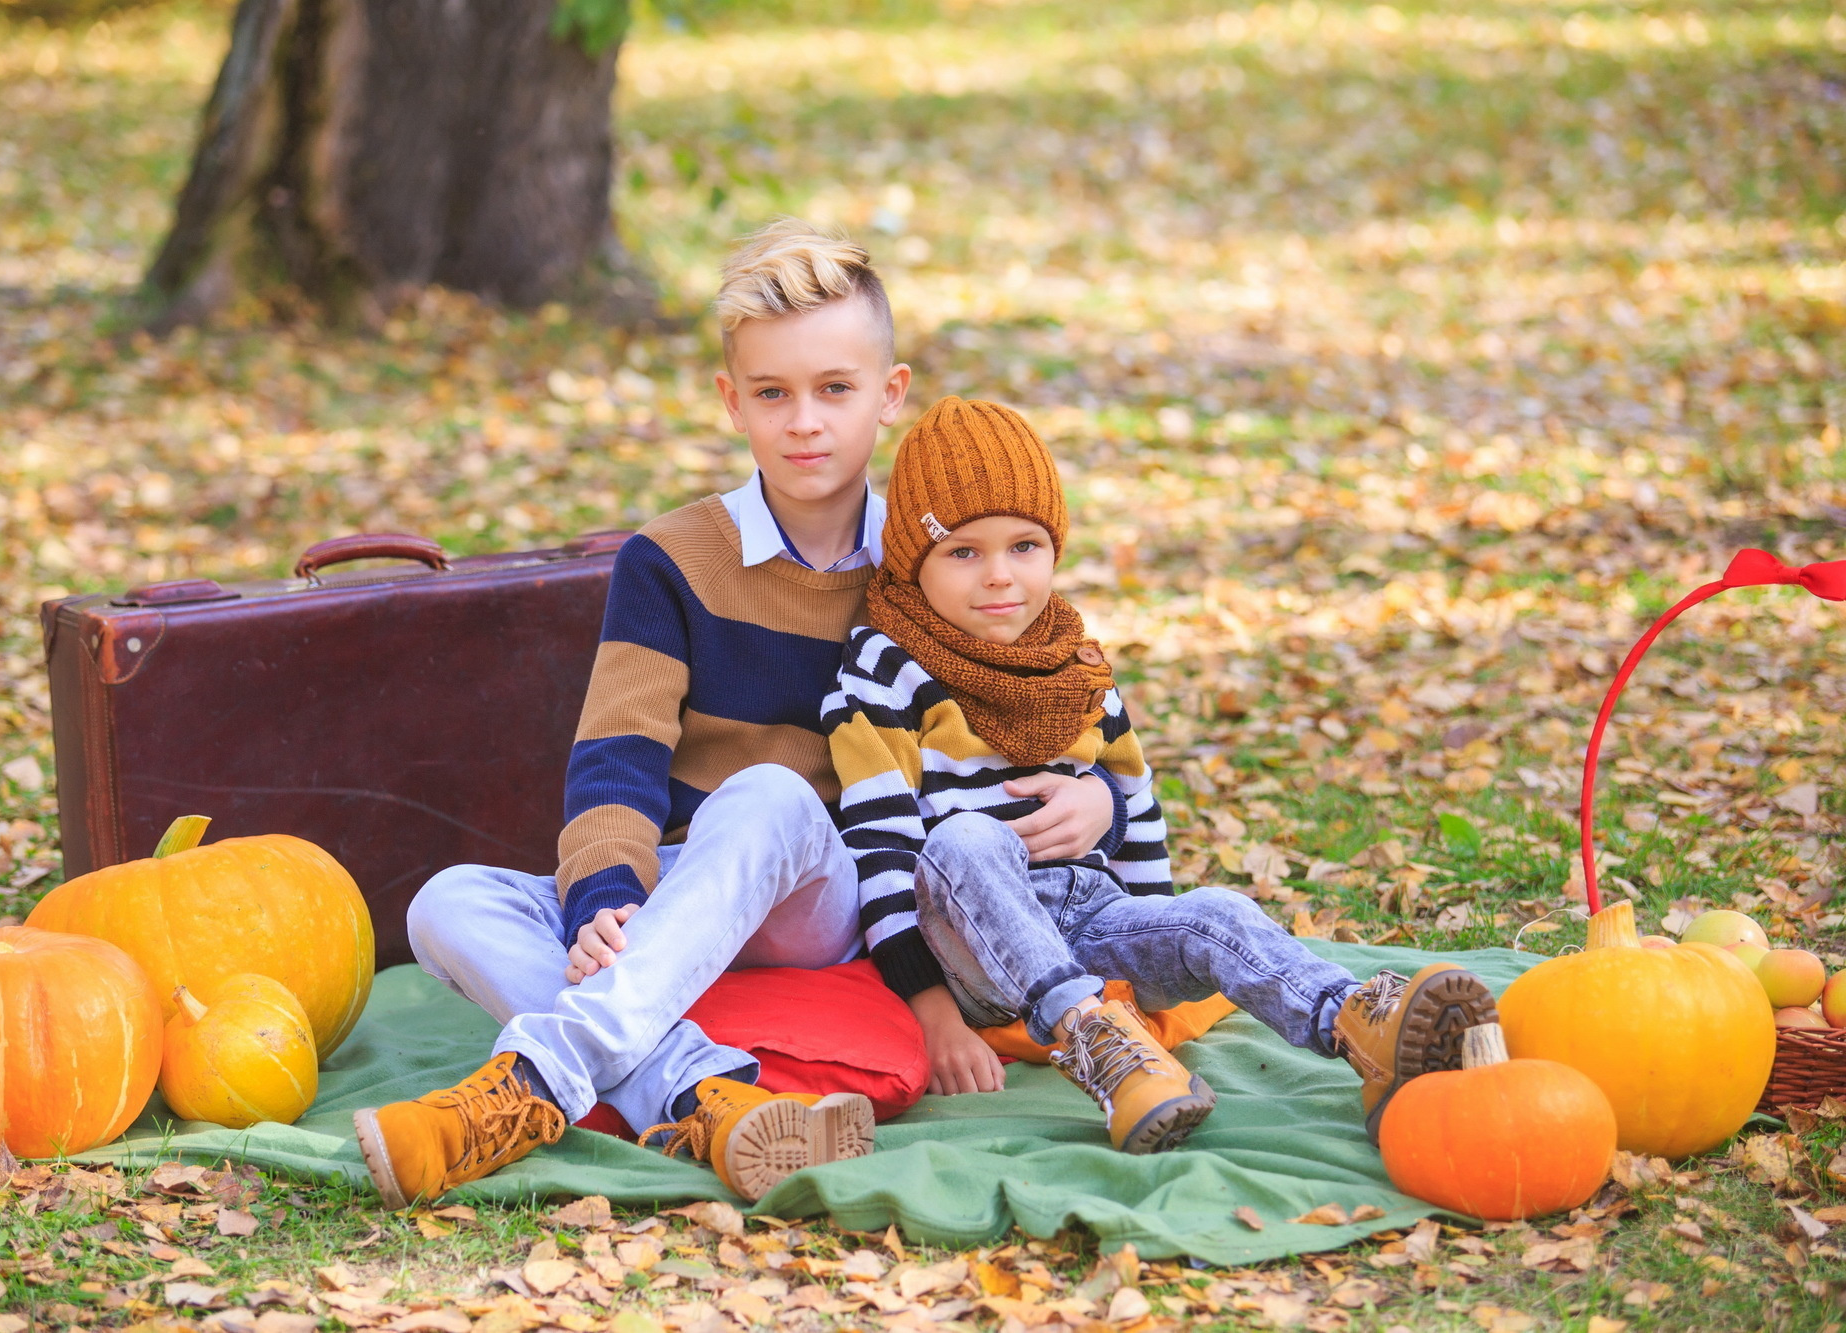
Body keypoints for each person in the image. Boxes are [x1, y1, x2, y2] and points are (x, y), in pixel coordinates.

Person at [353, 223, 1126, 1206]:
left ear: (888, 396)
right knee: (449, 901)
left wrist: (1094, 792)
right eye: (772, 393)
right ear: (732, 402)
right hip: (694, 882)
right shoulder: (669, 558)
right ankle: (705, 1096)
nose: (804, 421)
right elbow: (616, 756)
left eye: (834, 389)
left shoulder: (936, 559)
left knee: (765, 794)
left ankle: (537, 1077)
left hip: (834, 891)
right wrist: (599, 900)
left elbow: (1045, 699)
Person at [822, 396, 1500, 1153]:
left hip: (1088, 914)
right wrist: (934, 1017)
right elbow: (879, 853)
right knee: (970, 841)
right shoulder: (883, 666)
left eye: (1024, 546)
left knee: (1214, 912)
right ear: (914, 562)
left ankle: (1355, 1025)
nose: (999, 577)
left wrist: (1122, 850)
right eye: (963, 552)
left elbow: (1135, 810)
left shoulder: (1075, 662)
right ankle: (1099, 1046)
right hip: (968, 937)